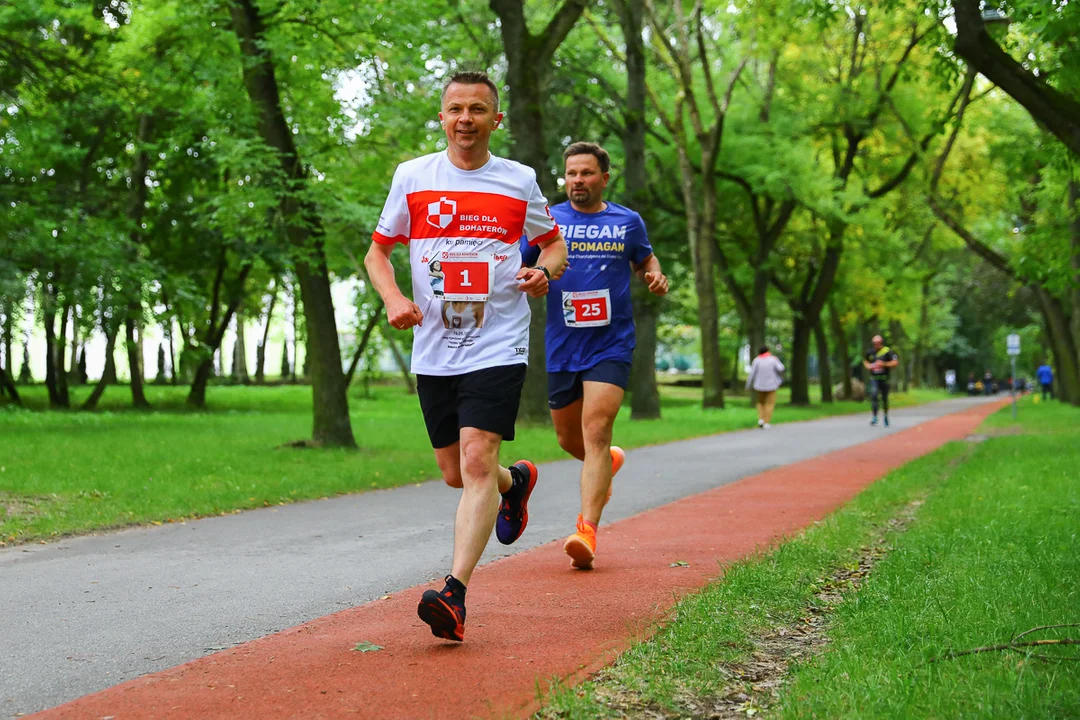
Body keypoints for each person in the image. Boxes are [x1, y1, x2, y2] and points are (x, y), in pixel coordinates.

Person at [365, 71, 568, 641]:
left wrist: (542, 271)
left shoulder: (518, 180)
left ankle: (453, 594)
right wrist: (395, 299)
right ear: (442, 117)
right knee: (458, 473)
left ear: (494, 120)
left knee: (476, 460)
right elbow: (377, 255)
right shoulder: (413, 177)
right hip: (435, 346)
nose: (465, 119)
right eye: (456, 109)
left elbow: (553, 244)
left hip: (498, 340)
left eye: (478, 109)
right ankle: (516, 483)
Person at [520, 141, 667, 570]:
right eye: (571, 174)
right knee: (571, 439)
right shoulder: (548, 221)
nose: (577, 181)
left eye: (586, 173)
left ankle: (587, 530)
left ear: (604, 177)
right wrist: (532, 276)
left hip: (611, 342)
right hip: (563, 342)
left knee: (597, 428)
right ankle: (606, 465)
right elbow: (525, 263)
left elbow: (645, 260)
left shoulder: (627, 221)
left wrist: (654, 275)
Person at [862, 335, 899, 427]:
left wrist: (884, 364)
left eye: (878, 343)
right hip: (874, 378)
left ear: (881, 343)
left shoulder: (887, 351)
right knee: (874, 395)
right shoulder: (870, 352)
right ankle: (874, 417)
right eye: (874, 343)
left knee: (884, 398)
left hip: (884, 378)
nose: (876, 345)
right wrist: (869, 366)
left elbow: (895, 362)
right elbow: (865, 361)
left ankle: (886, 415)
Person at [746, 346, 785, 428]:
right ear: (768, 351)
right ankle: (766, 422)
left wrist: (748, 385)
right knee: (770, 403)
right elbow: (781, 368)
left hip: (759, 385)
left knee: (760, 403)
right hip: (772, 385)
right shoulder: (773, 359)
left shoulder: (756, 360)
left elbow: (752, 374)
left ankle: (761, 419)